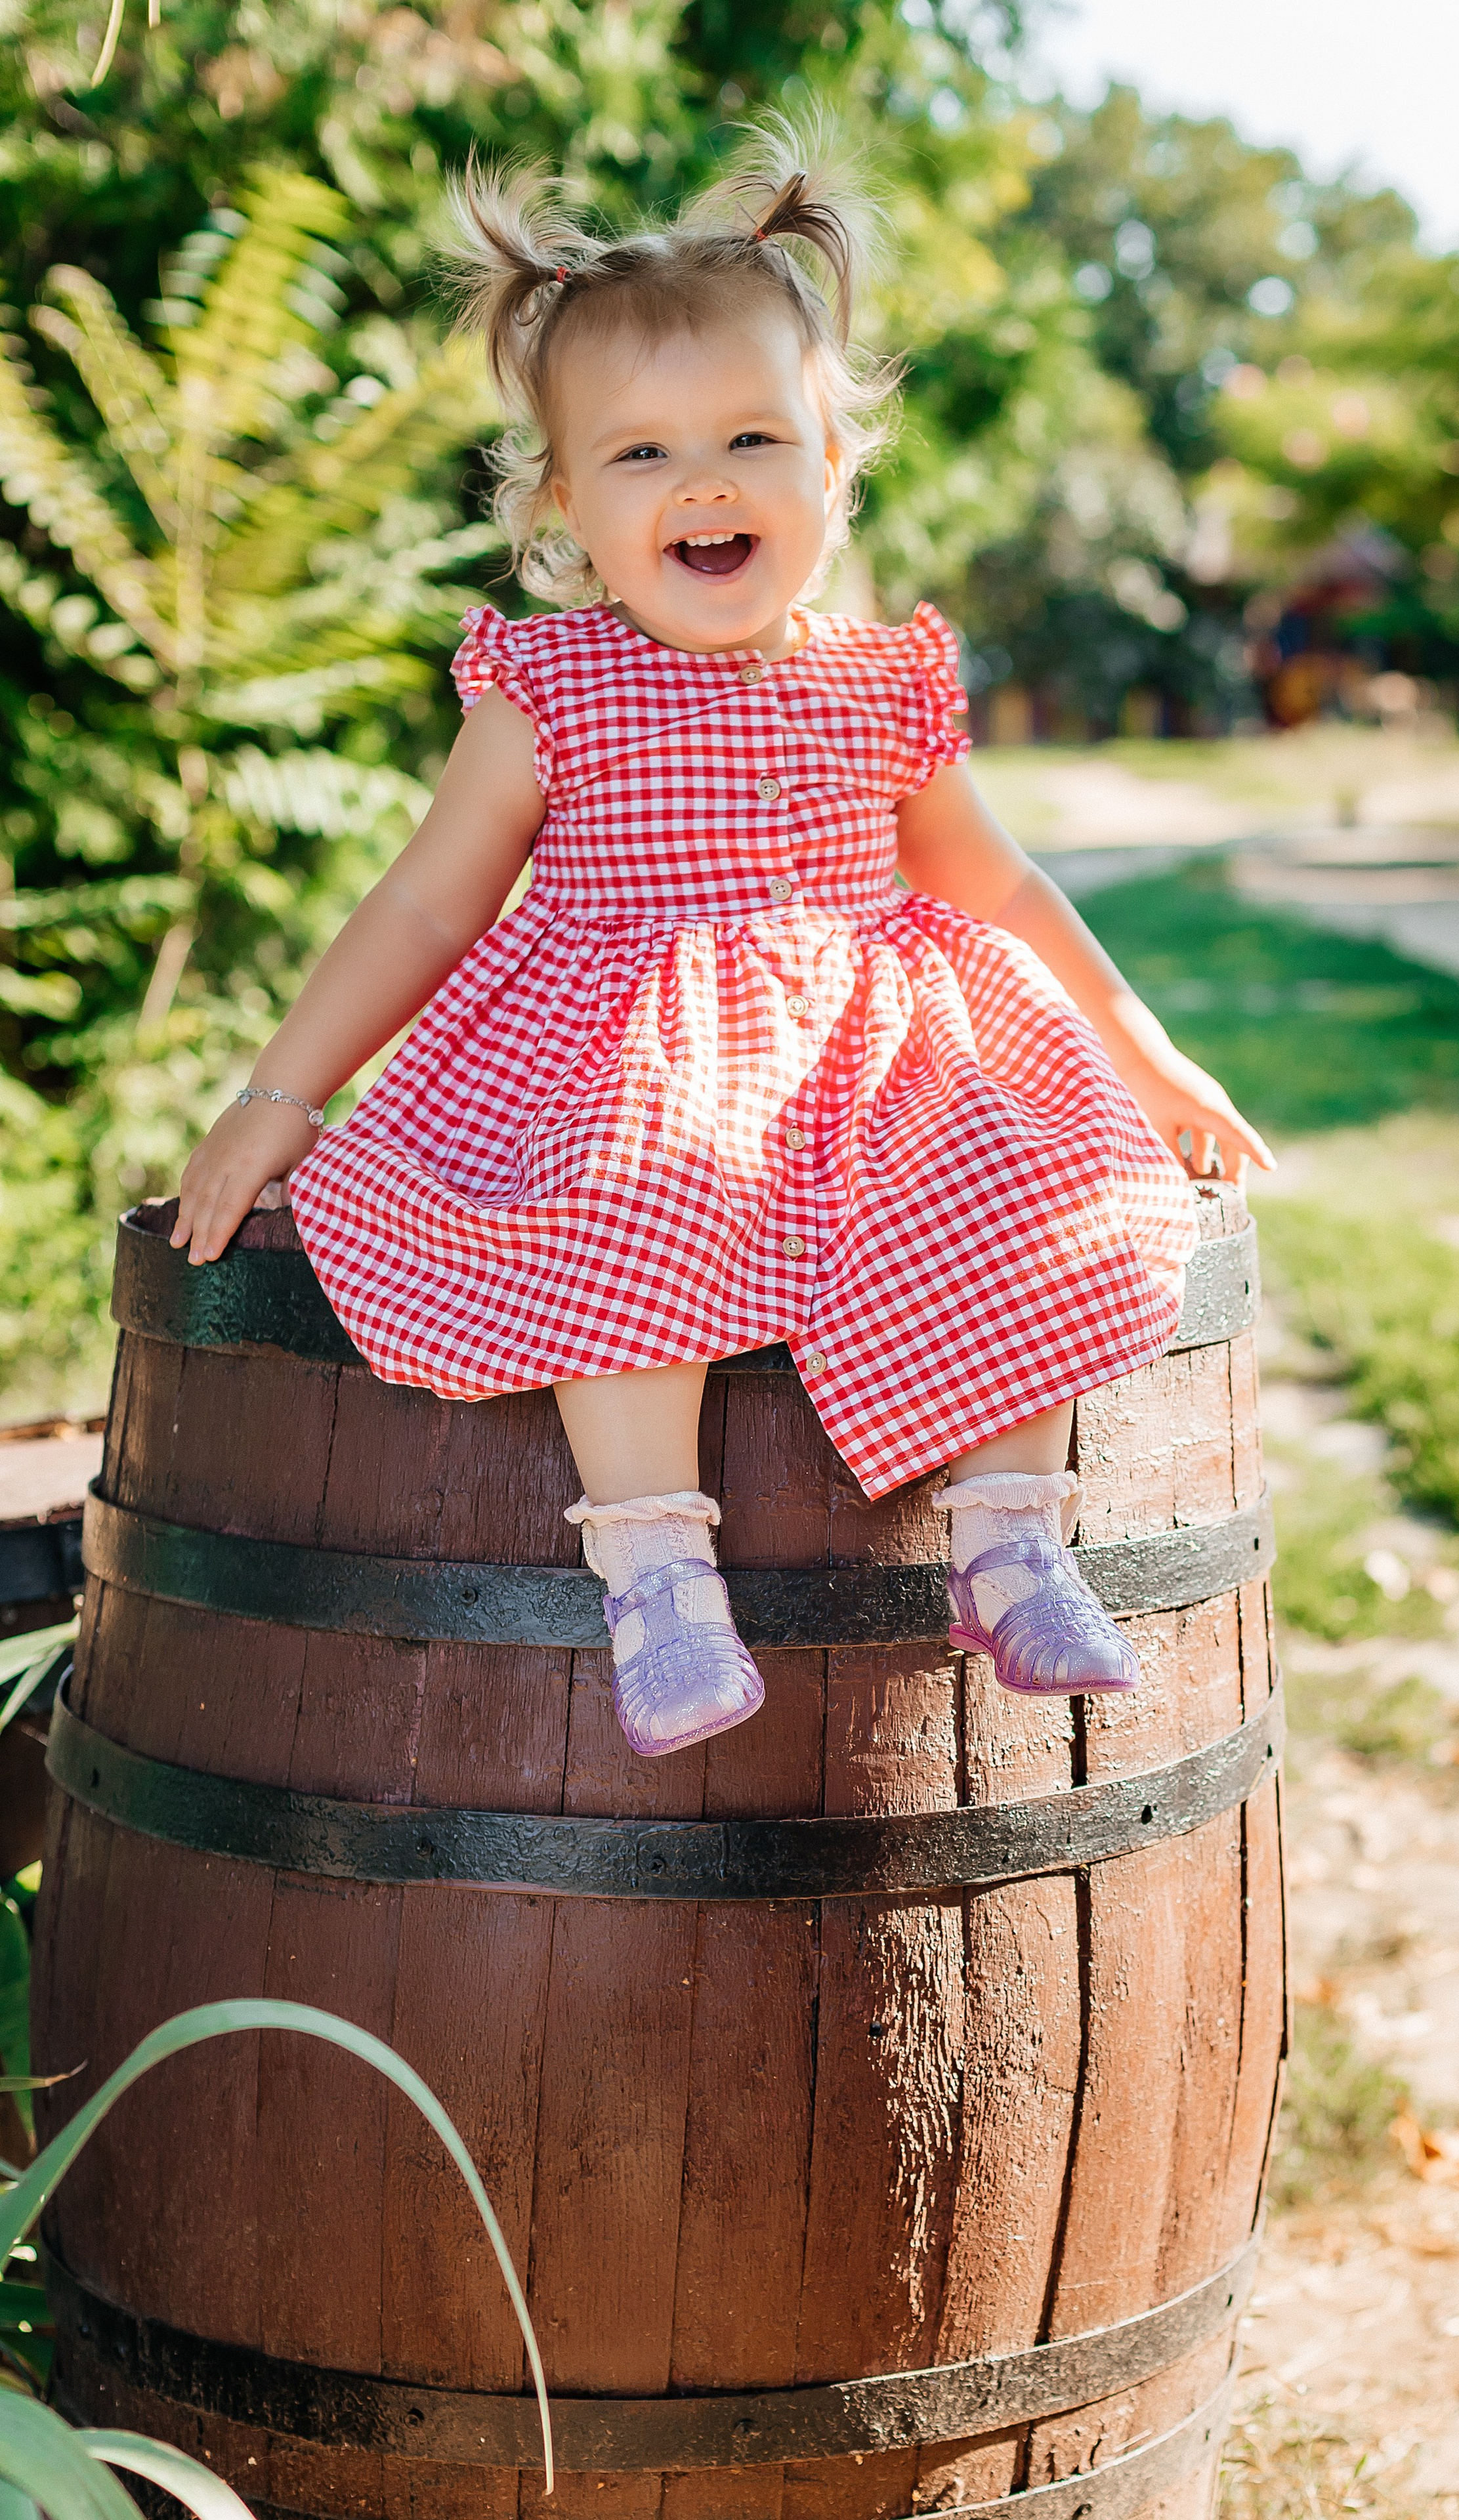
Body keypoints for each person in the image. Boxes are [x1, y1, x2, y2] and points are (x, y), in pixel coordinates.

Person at [173, 127, 1274, 1762]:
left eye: (753, 436)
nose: (703, 483)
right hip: (626, 1051)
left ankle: (1010, 1532)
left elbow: (1001, 886)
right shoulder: (551, 686)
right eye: (639, 457)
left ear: (835, 463)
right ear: (562, 504)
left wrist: (1142, 1048)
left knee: (1027, 1171)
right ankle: (654, 1571)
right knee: (632, 1186)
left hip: (877, 1048)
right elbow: (423, 902)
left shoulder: (877, 680)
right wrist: (283, 1090)